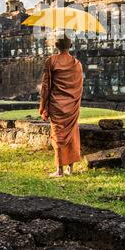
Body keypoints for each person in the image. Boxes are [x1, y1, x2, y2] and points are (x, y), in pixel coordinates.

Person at [39, 35, 83, 177]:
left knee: (58, 135)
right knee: (72, 134)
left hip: (56, 104)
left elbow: (45, 86)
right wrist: (75, 101)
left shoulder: (51, 61)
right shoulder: (77, 63)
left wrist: (43, 106)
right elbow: (79, 86)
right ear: (70, 46)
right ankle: (70, 168)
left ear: (56, 46)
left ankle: (59, 170)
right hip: (72, 104)